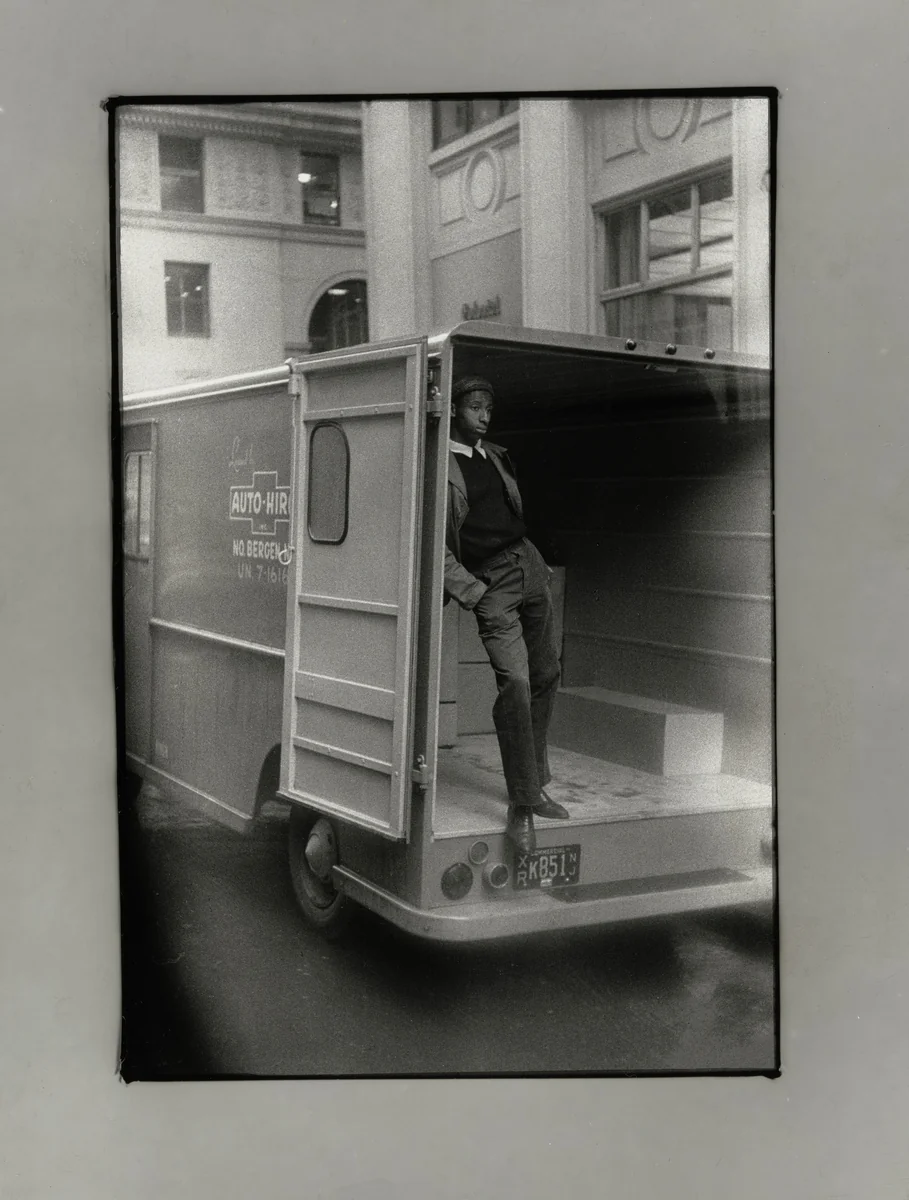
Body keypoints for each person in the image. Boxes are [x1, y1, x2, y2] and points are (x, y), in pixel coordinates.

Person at [443, 376, 569, 854]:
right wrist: (472, 591)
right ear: (454, 410)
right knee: (515, 683)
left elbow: (509, 511)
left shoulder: (493, 455)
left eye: (489, 408)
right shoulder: (440, 465)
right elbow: (433, 543)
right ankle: (522, 805)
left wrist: (536, 565)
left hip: (527, 565)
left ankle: (534, 783)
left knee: (546, 673)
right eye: (475, 407)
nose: (484, 415)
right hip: (490, 581)